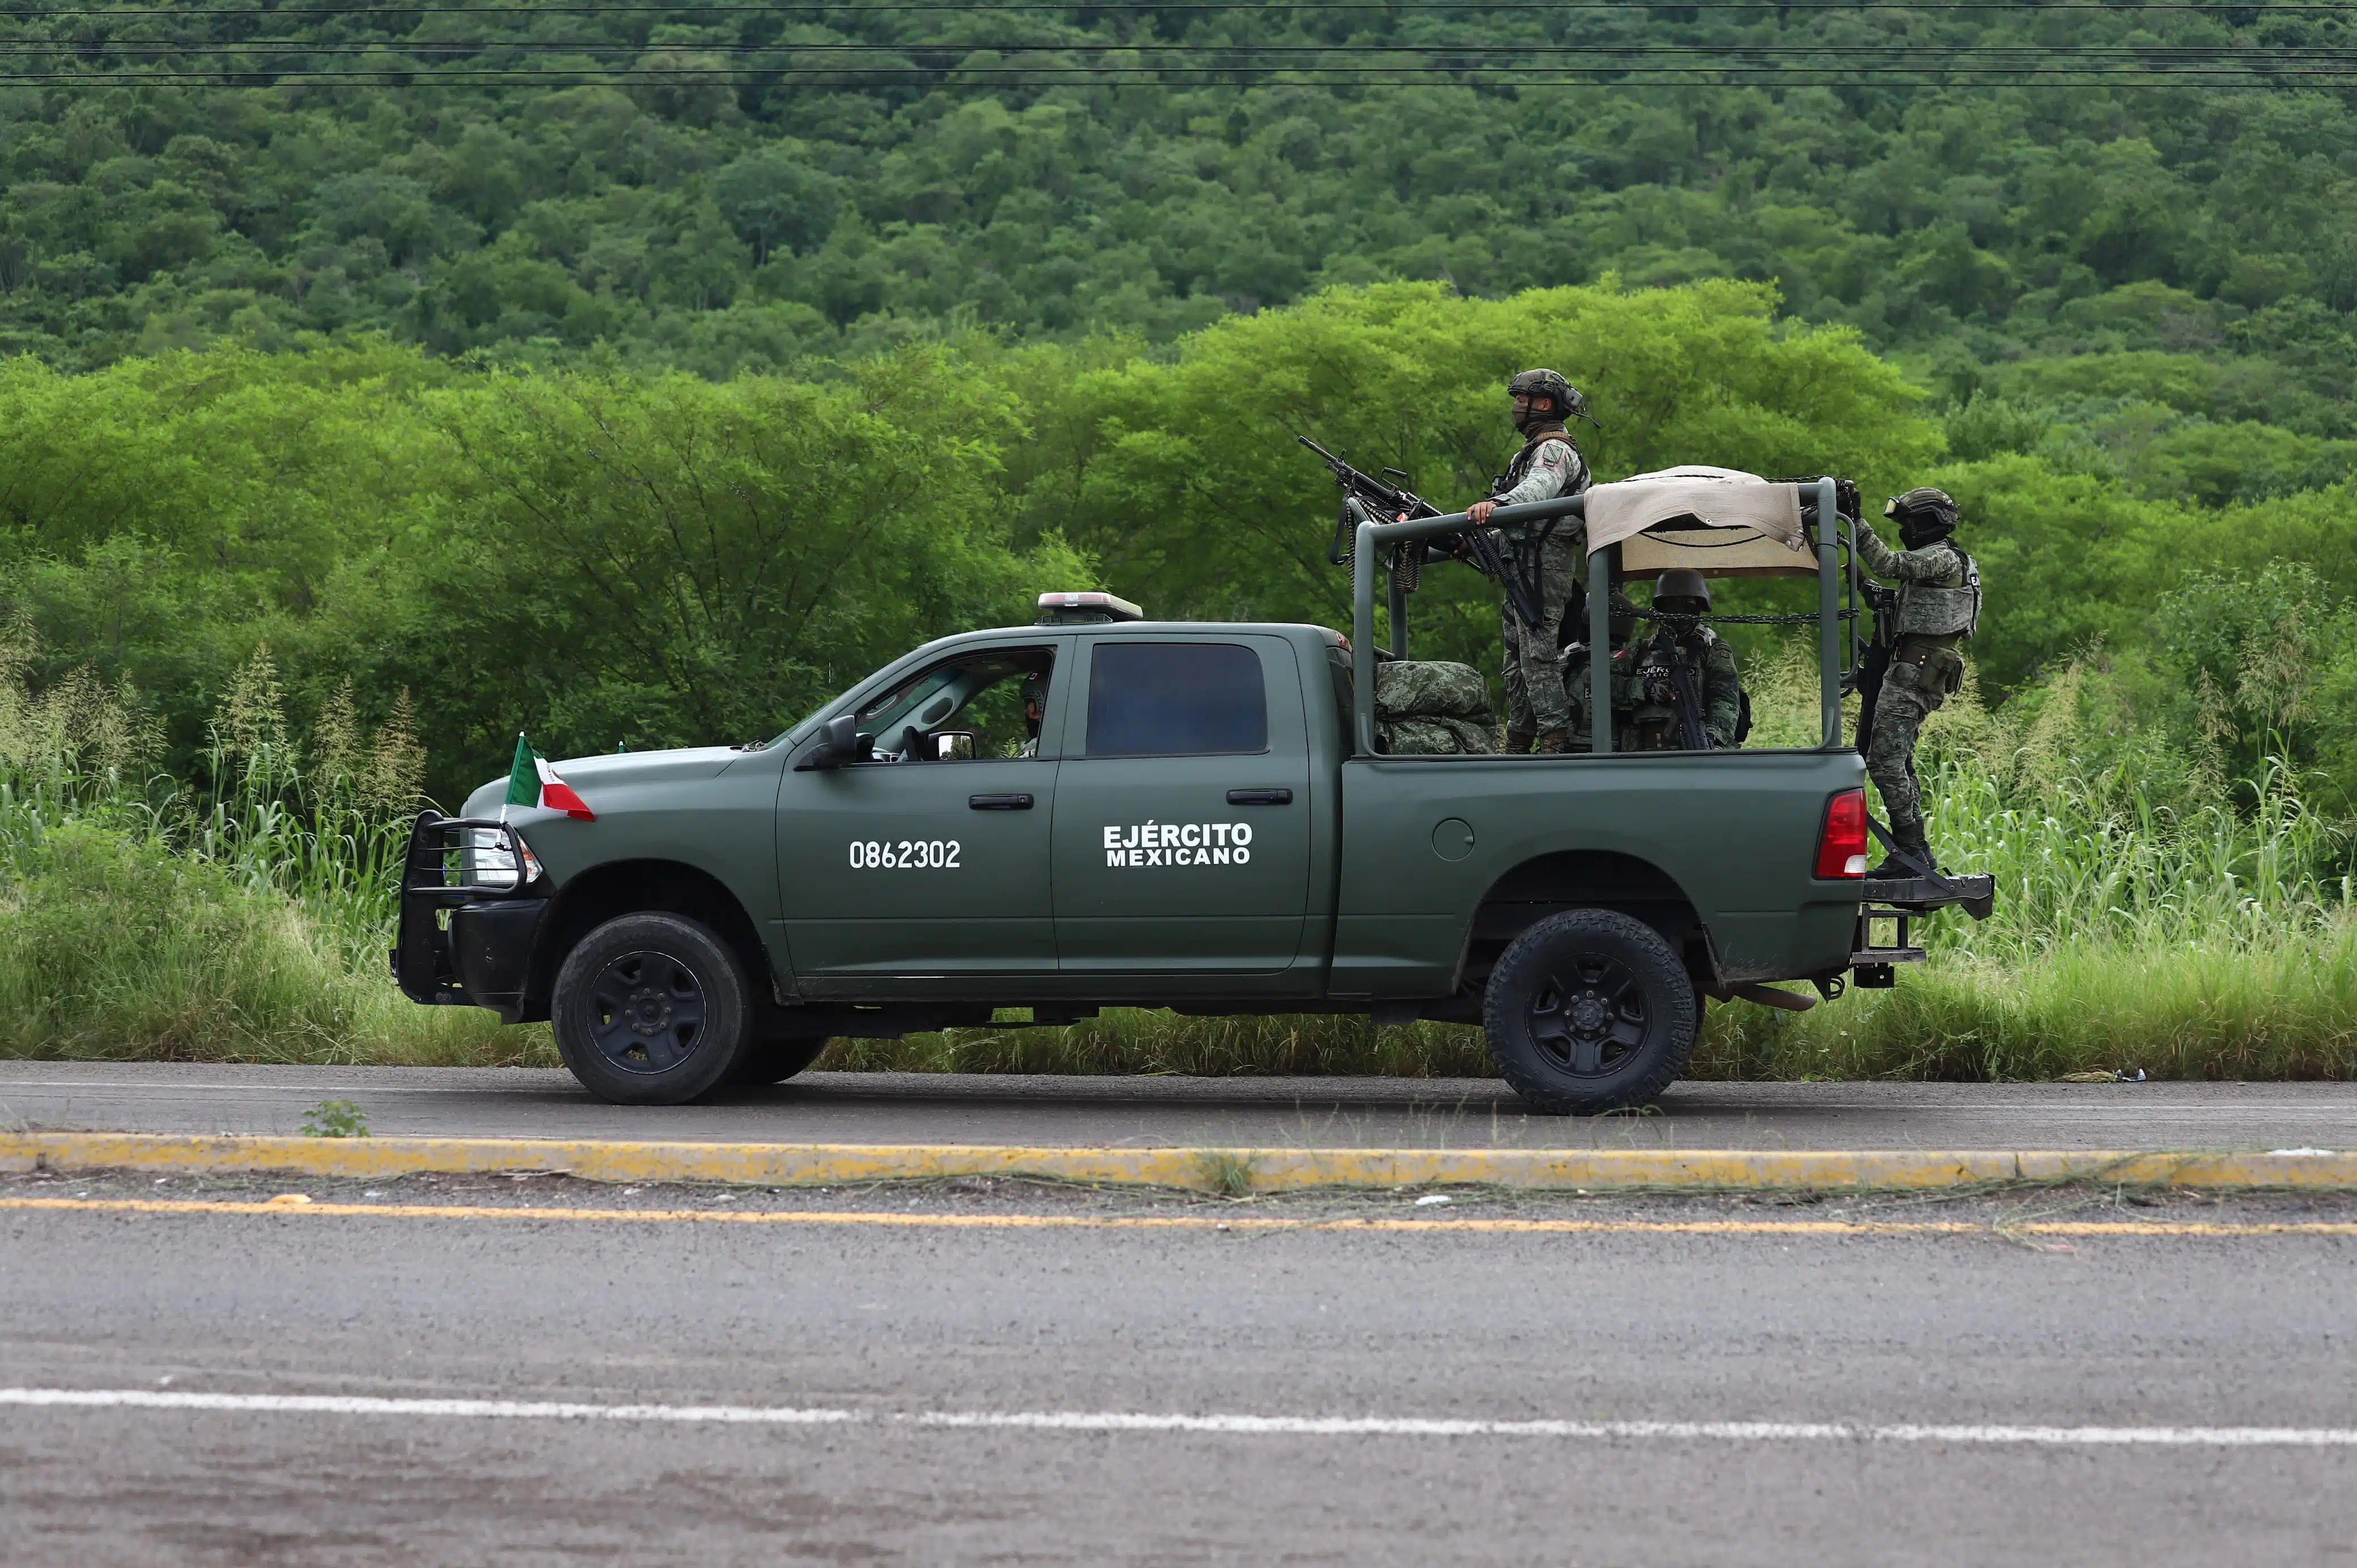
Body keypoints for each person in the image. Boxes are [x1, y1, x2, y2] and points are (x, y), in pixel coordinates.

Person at [1854, 486, 1981, 875]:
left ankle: (1911, 851)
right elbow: (1919, 610)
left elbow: (1889, 564)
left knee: (1884, 763)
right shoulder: (1944, 562)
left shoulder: (1942, 558)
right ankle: (1915, 852)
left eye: (1910, 522)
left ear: (1930, 523)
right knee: (1897, 760)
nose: (1906, 530)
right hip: (1913, 669)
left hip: (1917, 672)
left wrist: (1856, 525)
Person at [1466, 368, 1593, 753]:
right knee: (1516, 660)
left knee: (1538, 656)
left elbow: (1538, 491)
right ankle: (1518, 740)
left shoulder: (1555, 450)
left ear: (1545, 405)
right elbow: (1520, 522)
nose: (1517, 407)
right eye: (1517, 399)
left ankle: (1555, 738)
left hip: (1545, 563)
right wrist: (1470, 542)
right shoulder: (1529, 451)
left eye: (1524, 400)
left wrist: (1498, 505)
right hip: (1520, 563)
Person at [1622, 569, 1742, 751]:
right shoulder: (1640, 650)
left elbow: (1725, 701)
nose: (1679, 608)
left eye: (1687, 602)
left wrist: (1713, 740)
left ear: (1700, 605)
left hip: (1694, 749)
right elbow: (1605, 687)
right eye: (1671, 602)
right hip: (1641, 755)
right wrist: (1645, 688)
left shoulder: (1713, 650)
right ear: (1660, 606)